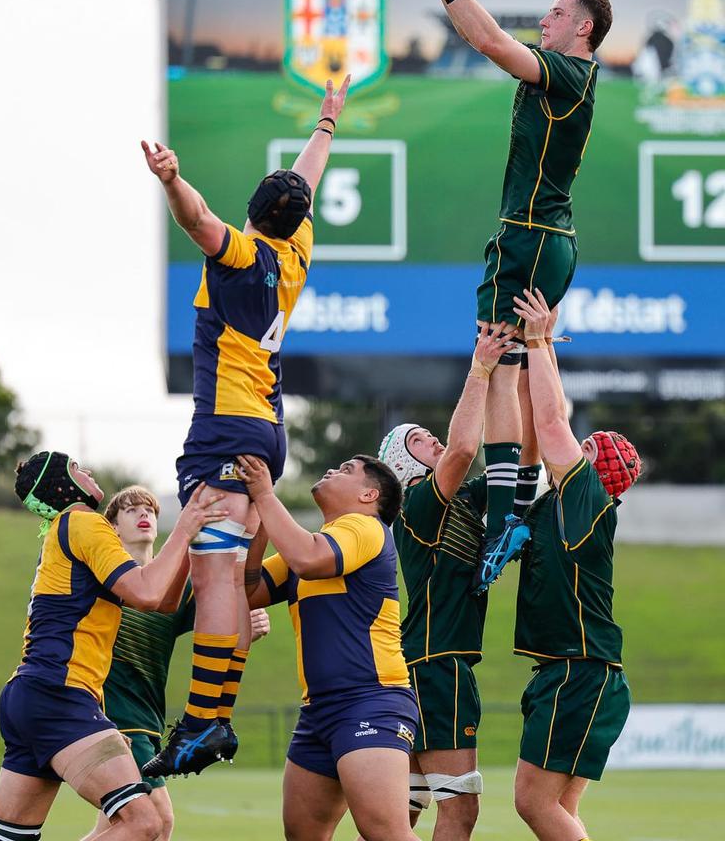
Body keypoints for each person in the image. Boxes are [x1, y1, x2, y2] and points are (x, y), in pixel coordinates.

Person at [399, 0, 613, 591]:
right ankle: (516, 510)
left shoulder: (567, 72)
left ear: (582, 27)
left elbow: (489, 40)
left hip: (528, 238)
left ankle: (501, 524)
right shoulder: (571, 76)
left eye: (555, 13)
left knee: (494, 367)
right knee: (516, 367)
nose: (544, 21)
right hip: (554, 241)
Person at [141, 74, 350, 776]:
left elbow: (197, 220)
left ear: (254, 213)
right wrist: (326, 124)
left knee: (218, 576)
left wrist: (172, 180)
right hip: (265, 427)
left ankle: (205, 721)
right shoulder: (295, 251)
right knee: (229, 572)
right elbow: (309, 180)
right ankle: (213, 720)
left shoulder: (244, 252)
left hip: (227, 427)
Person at [0, 451, 218, 841]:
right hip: (60, 695)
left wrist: (187, 540)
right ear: (62, 484)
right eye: (77, 468)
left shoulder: (64, 531)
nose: (88, 471)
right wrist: (183, 528)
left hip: (29, 696)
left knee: (10, 838)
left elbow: (161, 603)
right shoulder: (84, 521)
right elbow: (146, 593)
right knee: (146, 823)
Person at [510, 288, 640, 841]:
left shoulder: (588, 495)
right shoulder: (568, 502)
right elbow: (547, 420)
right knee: (558, 808)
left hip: (578, 672)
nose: (574, 447)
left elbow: (550, 419)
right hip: (578, 671)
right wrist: (543, 348)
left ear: (595, 469)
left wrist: (540, 338)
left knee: (534, 804)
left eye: (587, 447)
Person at [237, 451, 420, 841]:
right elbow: (248, 591)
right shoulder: (319, 543)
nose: (333, 469)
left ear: (369, 496)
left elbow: (308, 559)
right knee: (303, 835)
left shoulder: (364, 527)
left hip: (371, 701)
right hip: (318, 711)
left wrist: (266, 497)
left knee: (386, 833)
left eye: (347, 470)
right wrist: (261, 529)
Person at [377, 324, 515, 839]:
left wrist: (515, 366)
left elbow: (514, 458)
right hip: (438, 664)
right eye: (417, 439)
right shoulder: (418, 505)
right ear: (401, 465)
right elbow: (462, 449)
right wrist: (479, 367)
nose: (430, 437)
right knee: (459, 809)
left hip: (425, 660)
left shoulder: (455, 502)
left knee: (403, 812)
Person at [82, 485, 271, 841]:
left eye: (150, 510)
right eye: (131, 509)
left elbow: (221, 615)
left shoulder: (173, 585)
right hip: (115, 715)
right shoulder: (104, 576)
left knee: (116, 825)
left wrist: (247, 624)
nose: (143, 515)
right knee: (158, 820)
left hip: (149, 720)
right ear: (113, 527)